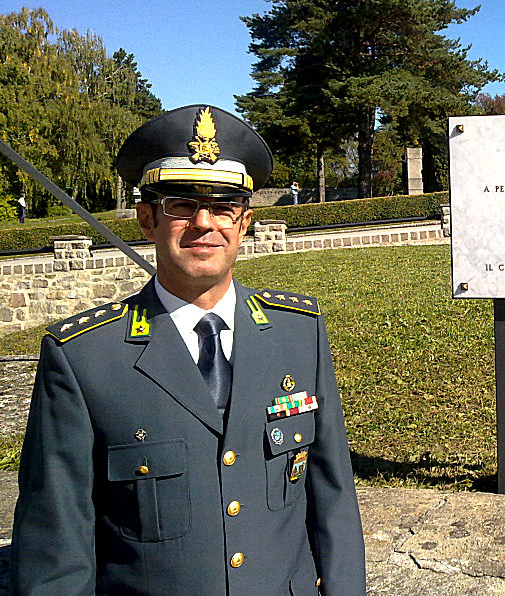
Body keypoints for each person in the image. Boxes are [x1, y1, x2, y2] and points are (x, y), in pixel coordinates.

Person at [12, 105, 366, 595]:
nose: (204, 223)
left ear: (244, 223)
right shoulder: (84, 359)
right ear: (145, 219)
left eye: (223, 206)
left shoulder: (298, 333)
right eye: (181, 205)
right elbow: (54, 551)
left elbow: (333, 499)